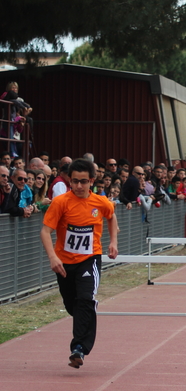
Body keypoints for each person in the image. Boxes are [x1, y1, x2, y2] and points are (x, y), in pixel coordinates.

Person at [40, 158, 119, 369]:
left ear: (92, 181)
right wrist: (53, 257)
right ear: (69, 180)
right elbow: (45, 231)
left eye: (83, 182)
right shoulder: (61, 202)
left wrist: (113, 242)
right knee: (72, 305)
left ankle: (79, 349)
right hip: (64, 262)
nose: (79, 186)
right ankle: (84, 320)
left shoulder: (100, 202)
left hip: (89, 258)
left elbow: (111, 216)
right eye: (75, 181)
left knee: (85, 299)